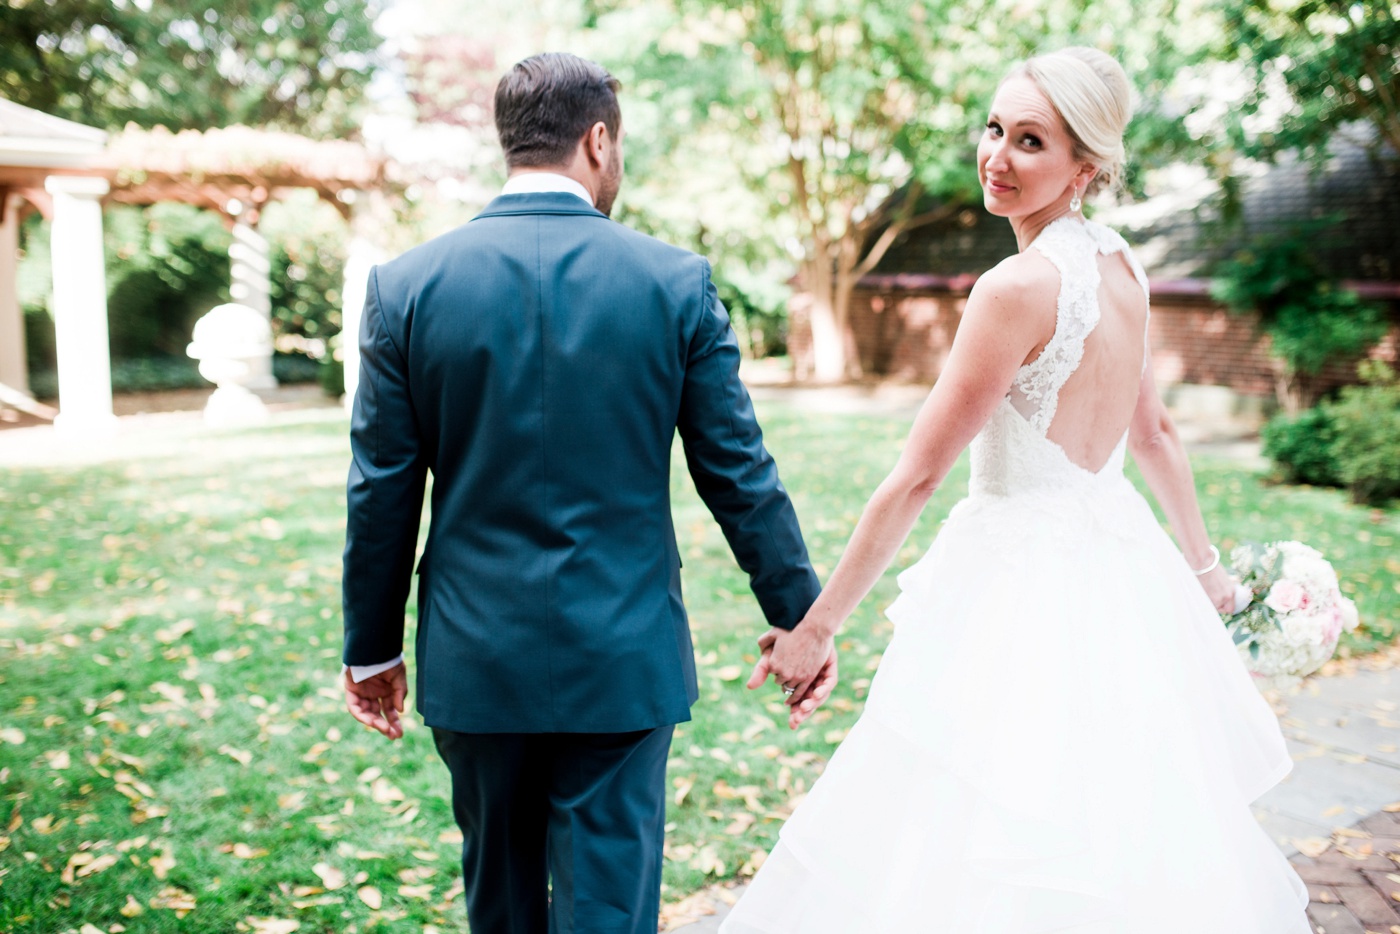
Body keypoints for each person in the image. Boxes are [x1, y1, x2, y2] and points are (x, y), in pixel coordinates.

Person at [729, 47, 1310, 932]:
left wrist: (816, 630)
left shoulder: (1015, 287)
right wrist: (1204, 572)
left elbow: (918, 475)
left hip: (1011, 592)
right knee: (1114, 825)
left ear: (1087, 166)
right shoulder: (1126, 269)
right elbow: (1152, 434)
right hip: (1119, 580)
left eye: (1030, 140)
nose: (997, 156)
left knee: (971, 827)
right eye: (995, 128)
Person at [339, 52, 832, 934]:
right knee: (610, 908)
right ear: (597, 140)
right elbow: (738, 471)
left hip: (475, 656)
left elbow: (381, 491)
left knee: (502, 901)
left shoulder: (405, 288)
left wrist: (372, 650)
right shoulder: (674, 283)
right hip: (621, 654)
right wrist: (800, 616)